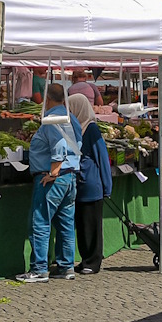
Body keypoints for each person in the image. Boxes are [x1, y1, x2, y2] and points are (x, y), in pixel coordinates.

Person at [21, 84, 83, 283]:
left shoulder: (51, 119)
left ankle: (39, 269)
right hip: (71, 176)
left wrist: (54, 172)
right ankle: (66, 266)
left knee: (40, 222)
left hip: (54, 177)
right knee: (65, 223)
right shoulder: (70, 118)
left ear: (47, 99)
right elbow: (77, 142)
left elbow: (60, 145)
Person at [68, 93, 112, 275]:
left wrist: (107, 187)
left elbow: (102, 157)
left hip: (92, 185)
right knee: (82, 226)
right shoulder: (73, 128)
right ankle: (85, 259)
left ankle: (94, 261)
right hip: (78, 186)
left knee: (92, 226)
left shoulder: (91, 129)